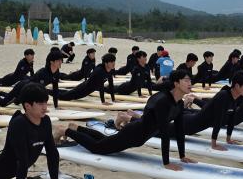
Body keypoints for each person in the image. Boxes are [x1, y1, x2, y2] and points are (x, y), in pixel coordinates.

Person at [65, 70, 194, 170]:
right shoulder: (164, 101)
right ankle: (66, 131)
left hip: (137, 137)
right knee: (97, 148)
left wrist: (182, 156)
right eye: (186, 81)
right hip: (133, 134)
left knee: (105, 141)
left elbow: (179, 129)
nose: (190, 84)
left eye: (190, 81)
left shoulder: (179, 104)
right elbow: (164, 133)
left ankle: (76, 128)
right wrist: (166, 163)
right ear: (176, 83)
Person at [180, 72, 243, 149]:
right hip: (187, 125)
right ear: (237, 86)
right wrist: (214, 144)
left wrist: (228, 139)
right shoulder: (224, 95)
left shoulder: (235, 97)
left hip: (193, 126)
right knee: (165, 132)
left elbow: (232, 119)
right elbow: (218, 120)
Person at [0, 51, 69, 108]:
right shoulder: (42, 73)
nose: (61, 62)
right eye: (58, 60)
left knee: (17, 102)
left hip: (29, 91)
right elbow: (36, 92)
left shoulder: (56, 72)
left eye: (61, 60)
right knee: (3, 104)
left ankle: (3, 93)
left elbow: (55, 89)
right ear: (51, 62)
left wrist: (56, 106)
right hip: (22, 87)